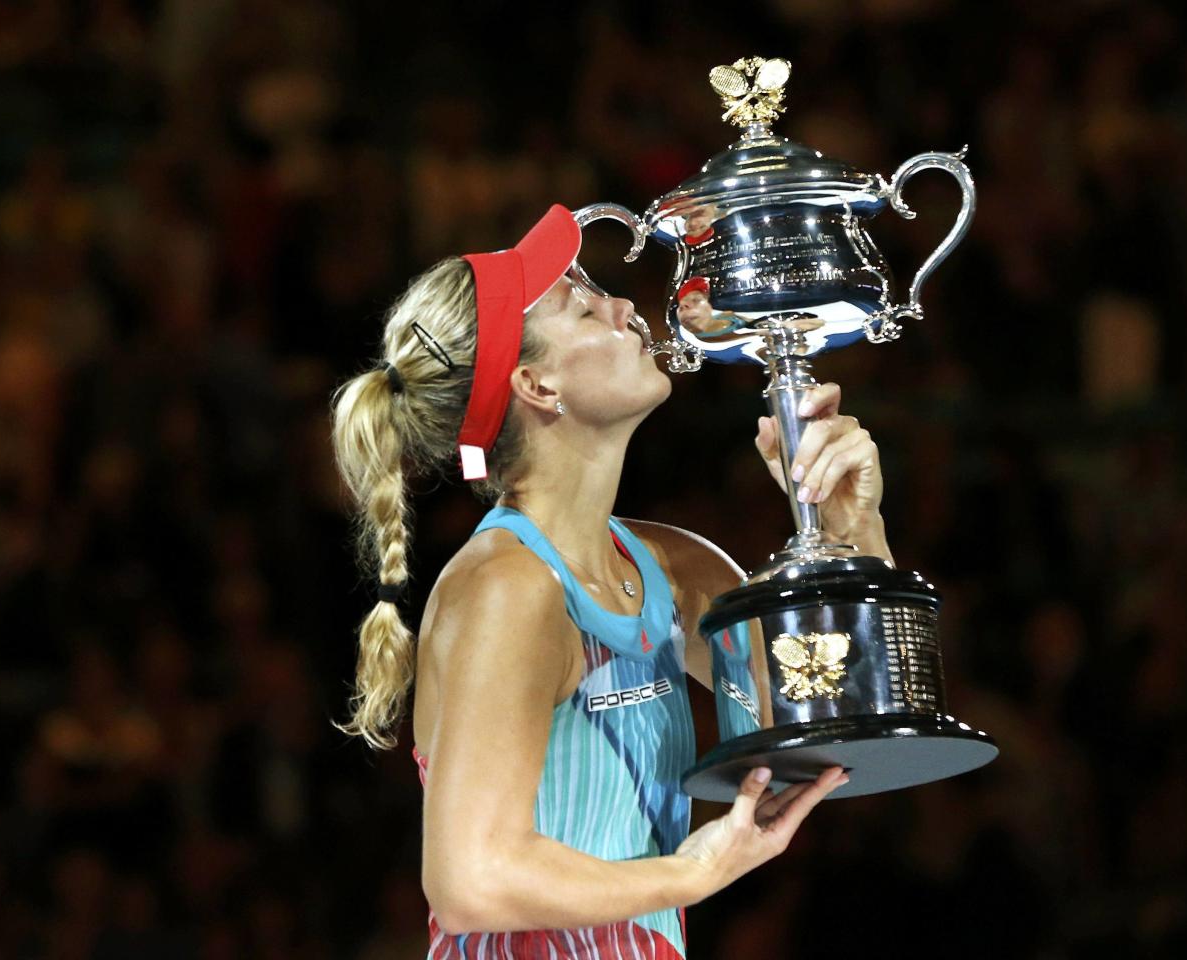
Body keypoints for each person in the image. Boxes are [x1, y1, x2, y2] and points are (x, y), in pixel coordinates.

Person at [329, 204, 893, 957]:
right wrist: (686, 874)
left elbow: (843, 716)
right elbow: (470, 881)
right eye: (584, 303)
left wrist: (853, 527)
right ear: (534, 383)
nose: (626, 306)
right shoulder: (506, 588)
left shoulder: (675, 568)